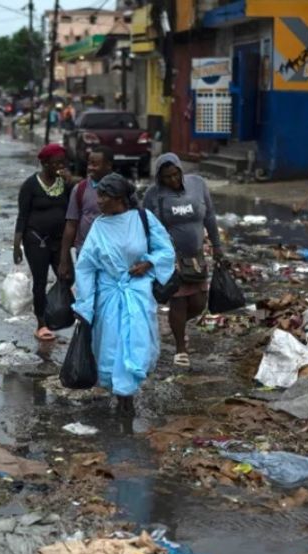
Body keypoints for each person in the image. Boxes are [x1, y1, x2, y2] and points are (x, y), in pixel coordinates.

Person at [72, 173, 175, 413]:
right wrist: (84, 305)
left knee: (136, 343)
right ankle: (121, 398)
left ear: (118, 198)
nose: (98, 201)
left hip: (137, 294)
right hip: (109, 297)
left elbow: (166, 250)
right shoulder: (99, 226)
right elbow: (86, 267)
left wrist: (148, 263)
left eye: (103, 196)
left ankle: (127, 394)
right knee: (111, 346)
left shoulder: (143, 219)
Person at [141, 152, 223, 367]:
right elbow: (147, 227)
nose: (173, 180)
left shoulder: (198, 184)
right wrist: (153, 257)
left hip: (196, 256)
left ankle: (176, 326)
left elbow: (210, 217)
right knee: (178, 301)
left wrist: (217, 246)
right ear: (160, 177)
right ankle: (180, 348)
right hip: (171, 257)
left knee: (198, 302)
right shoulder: (153, 194)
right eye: (167, 177)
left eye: (176, 174)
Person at [15, 144, 74, 341]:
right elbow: (22, 216)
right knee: (39, 282)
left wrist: (70, 182)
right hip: (35, 241)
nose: (60, 166)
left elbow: (74, 209)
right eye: (55, 163)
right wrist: (17, 245)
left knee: (67, 277)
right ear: (44, 163)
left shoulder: (65, 184)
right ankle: (41, 323)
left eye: (62, 163)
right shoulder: (30, 185)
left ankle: (56, 310)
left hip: (59, 242)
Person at [58, 146, 115, 281]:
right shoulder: (80, 189)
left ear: (108, 165)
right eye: (89, 163)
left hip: (114, 254)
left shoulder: (122, 190)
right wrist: (64, 259)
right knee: (86, 294)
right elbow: (71, 224)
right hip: (85, 253)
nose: (90, 168)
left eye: (95, 164)